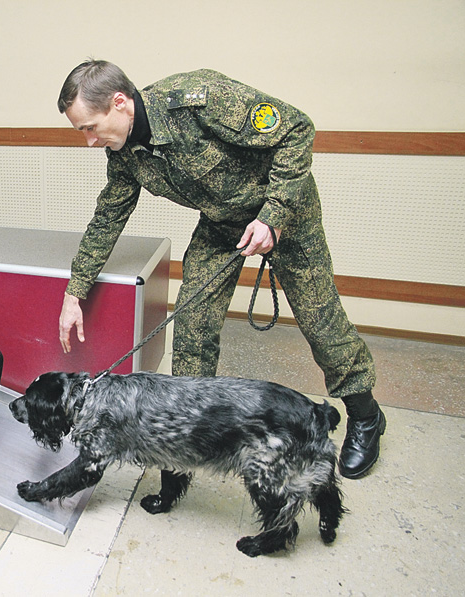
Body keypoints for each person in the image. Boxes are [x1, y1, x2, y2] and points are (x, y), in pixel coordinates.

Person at [56, 60, 385, 479]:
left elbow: (297, 130)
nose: (88, 141)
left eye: (89, 127)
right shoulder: (124, 155)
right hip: (221, 223)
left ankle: (365, 414)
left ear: (120, 103)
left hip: (286, 211)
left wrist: (273, 216)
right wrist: (75, 292)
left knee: (320, 320)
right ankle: (188, 438)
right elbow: (108, 218)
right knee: (192, 325)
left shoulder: (198, 99)